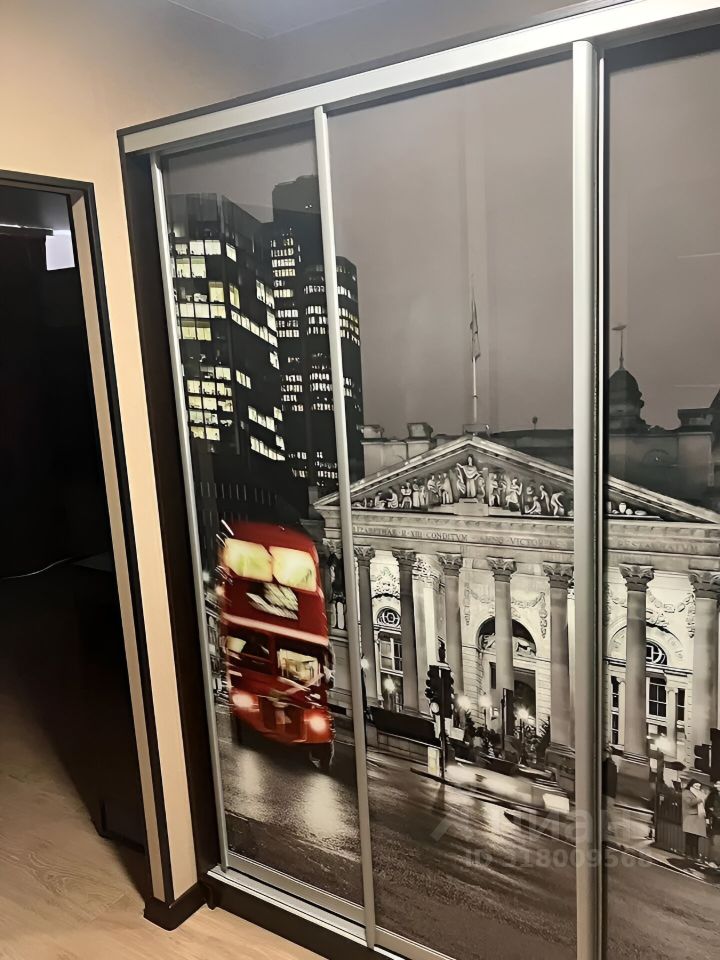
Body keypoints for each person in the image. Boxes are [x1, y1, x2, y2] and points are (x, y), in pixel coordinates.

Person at [682, 779, 707, 861]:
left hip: (697, 818)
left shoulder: (699, 793)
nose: (698, 788)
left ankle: (695, 855)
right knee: (690, 837)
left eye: (699, 786)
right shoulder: (686, 792)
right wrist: (699, 799)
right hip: (690, 817)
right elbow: (689, 803)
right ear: (691, 785)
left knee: (695, 838)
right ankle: (688, 853)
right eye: (696, 786)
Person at [705, 779, 720, 868]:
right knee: (715, 841)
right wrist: (712, 815)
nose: (718, 786)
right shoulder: (713, 795)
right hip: (715, 820)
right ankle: (713, 861)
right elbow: (708, 806)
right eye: (717, 784)